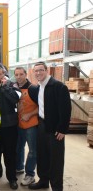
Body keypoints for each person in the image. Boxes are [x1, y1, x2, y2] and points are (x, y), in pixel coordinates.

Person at [28, 62, 71, 191]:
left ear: (47, 71)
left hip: (55, 128)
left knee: (56, 160)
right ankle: (44, 180)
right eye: (36, 71)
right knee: (42, 155)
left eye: (41, 70)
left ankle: (57, 187)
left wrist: (62, 129)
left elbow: (66, 109)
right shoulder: (38, 87)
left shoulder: (59, 86)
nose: (38, 73)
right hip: (41, 125)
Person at [0, 66, 21, 190]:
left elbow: (15, 99)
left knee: (10, 154)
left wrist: (4, 87)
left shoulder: (12, 86)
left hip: (9, 126)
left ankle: (12, 178)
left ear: (4, 75)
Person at [14, 67, 38, 186]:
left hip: (31, 125)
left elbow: (42, 107)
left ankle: (30, 175)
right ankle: (19, 167)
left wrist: (30, 114)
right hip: (19, 124)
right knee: (19, 147)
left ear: (25, 74)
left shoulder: (33, 89)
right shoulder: (14, 87)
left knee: (33, 150)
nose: (19, 77)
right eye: (16, 75)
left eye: (21, 74)